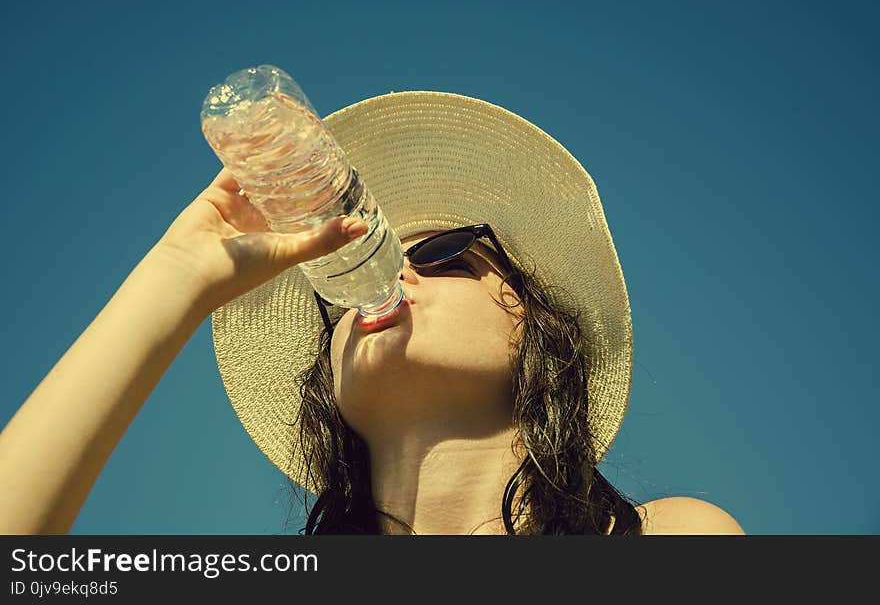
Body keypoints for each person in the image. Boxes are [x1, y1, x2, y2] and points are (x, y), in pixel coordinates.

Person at [0, 91, 745, 535]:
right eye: (337, 291)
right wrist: (176, 277)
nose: (382, 279)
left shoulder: (668, 534)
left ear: (532, 321)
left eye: (446, 252)